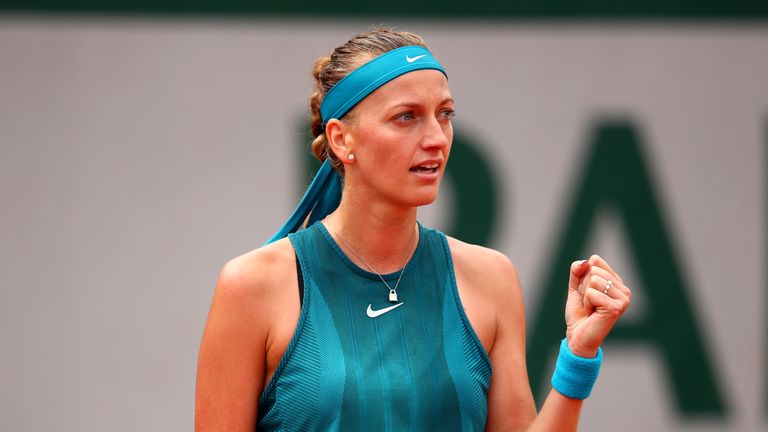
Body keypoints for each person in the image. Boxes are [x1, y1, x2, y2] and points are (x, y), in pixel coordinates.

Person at [195, 27, 631, 431]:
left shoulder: (491, 278)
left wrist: (578, 355)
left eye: (444, 114)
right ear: (341, 139)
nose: (437, 138)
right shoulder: (251, 286)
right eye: (406, 117)